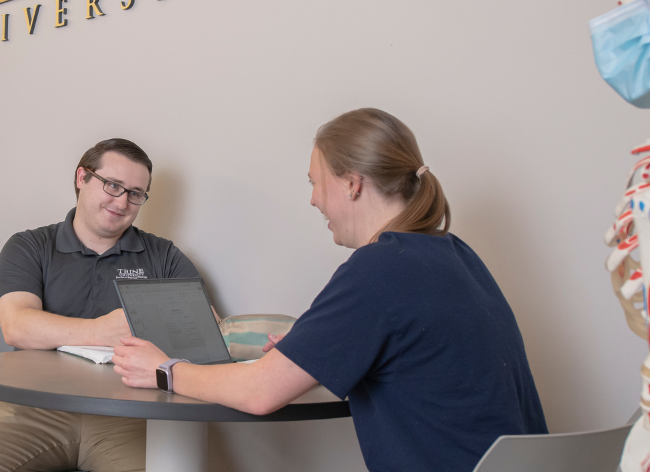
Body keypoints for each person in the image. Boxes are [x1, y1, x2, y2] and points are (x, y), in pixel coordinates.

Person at [111, 108, 547, 472]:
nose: (314, 200)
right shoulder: (451, 252)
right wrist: (316, 348)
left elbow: (258, 393)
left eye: (315, 181)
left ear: (352, 183)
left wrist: (163, 369)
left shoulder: (379, 268)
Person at [0, 138, 200, 472]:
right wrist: (103, 331)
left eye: (135, 193)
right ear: (81, 178)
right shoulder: (29, 246)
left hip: (131, 415)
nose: (123, 201)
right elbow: (16, 326)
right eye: (113, 185)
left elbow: (207, 330)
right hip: (32, 408)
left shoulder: (163, 255)